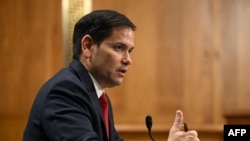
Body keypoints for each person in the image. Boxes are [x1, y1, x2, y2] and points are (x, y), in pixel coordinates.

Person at [23, 9, 199, 141]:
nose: (128, 60)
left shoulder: (97, 95)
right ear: (88, 46)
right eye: (118, 48)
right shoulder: (65, 91)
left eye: (130, 51)